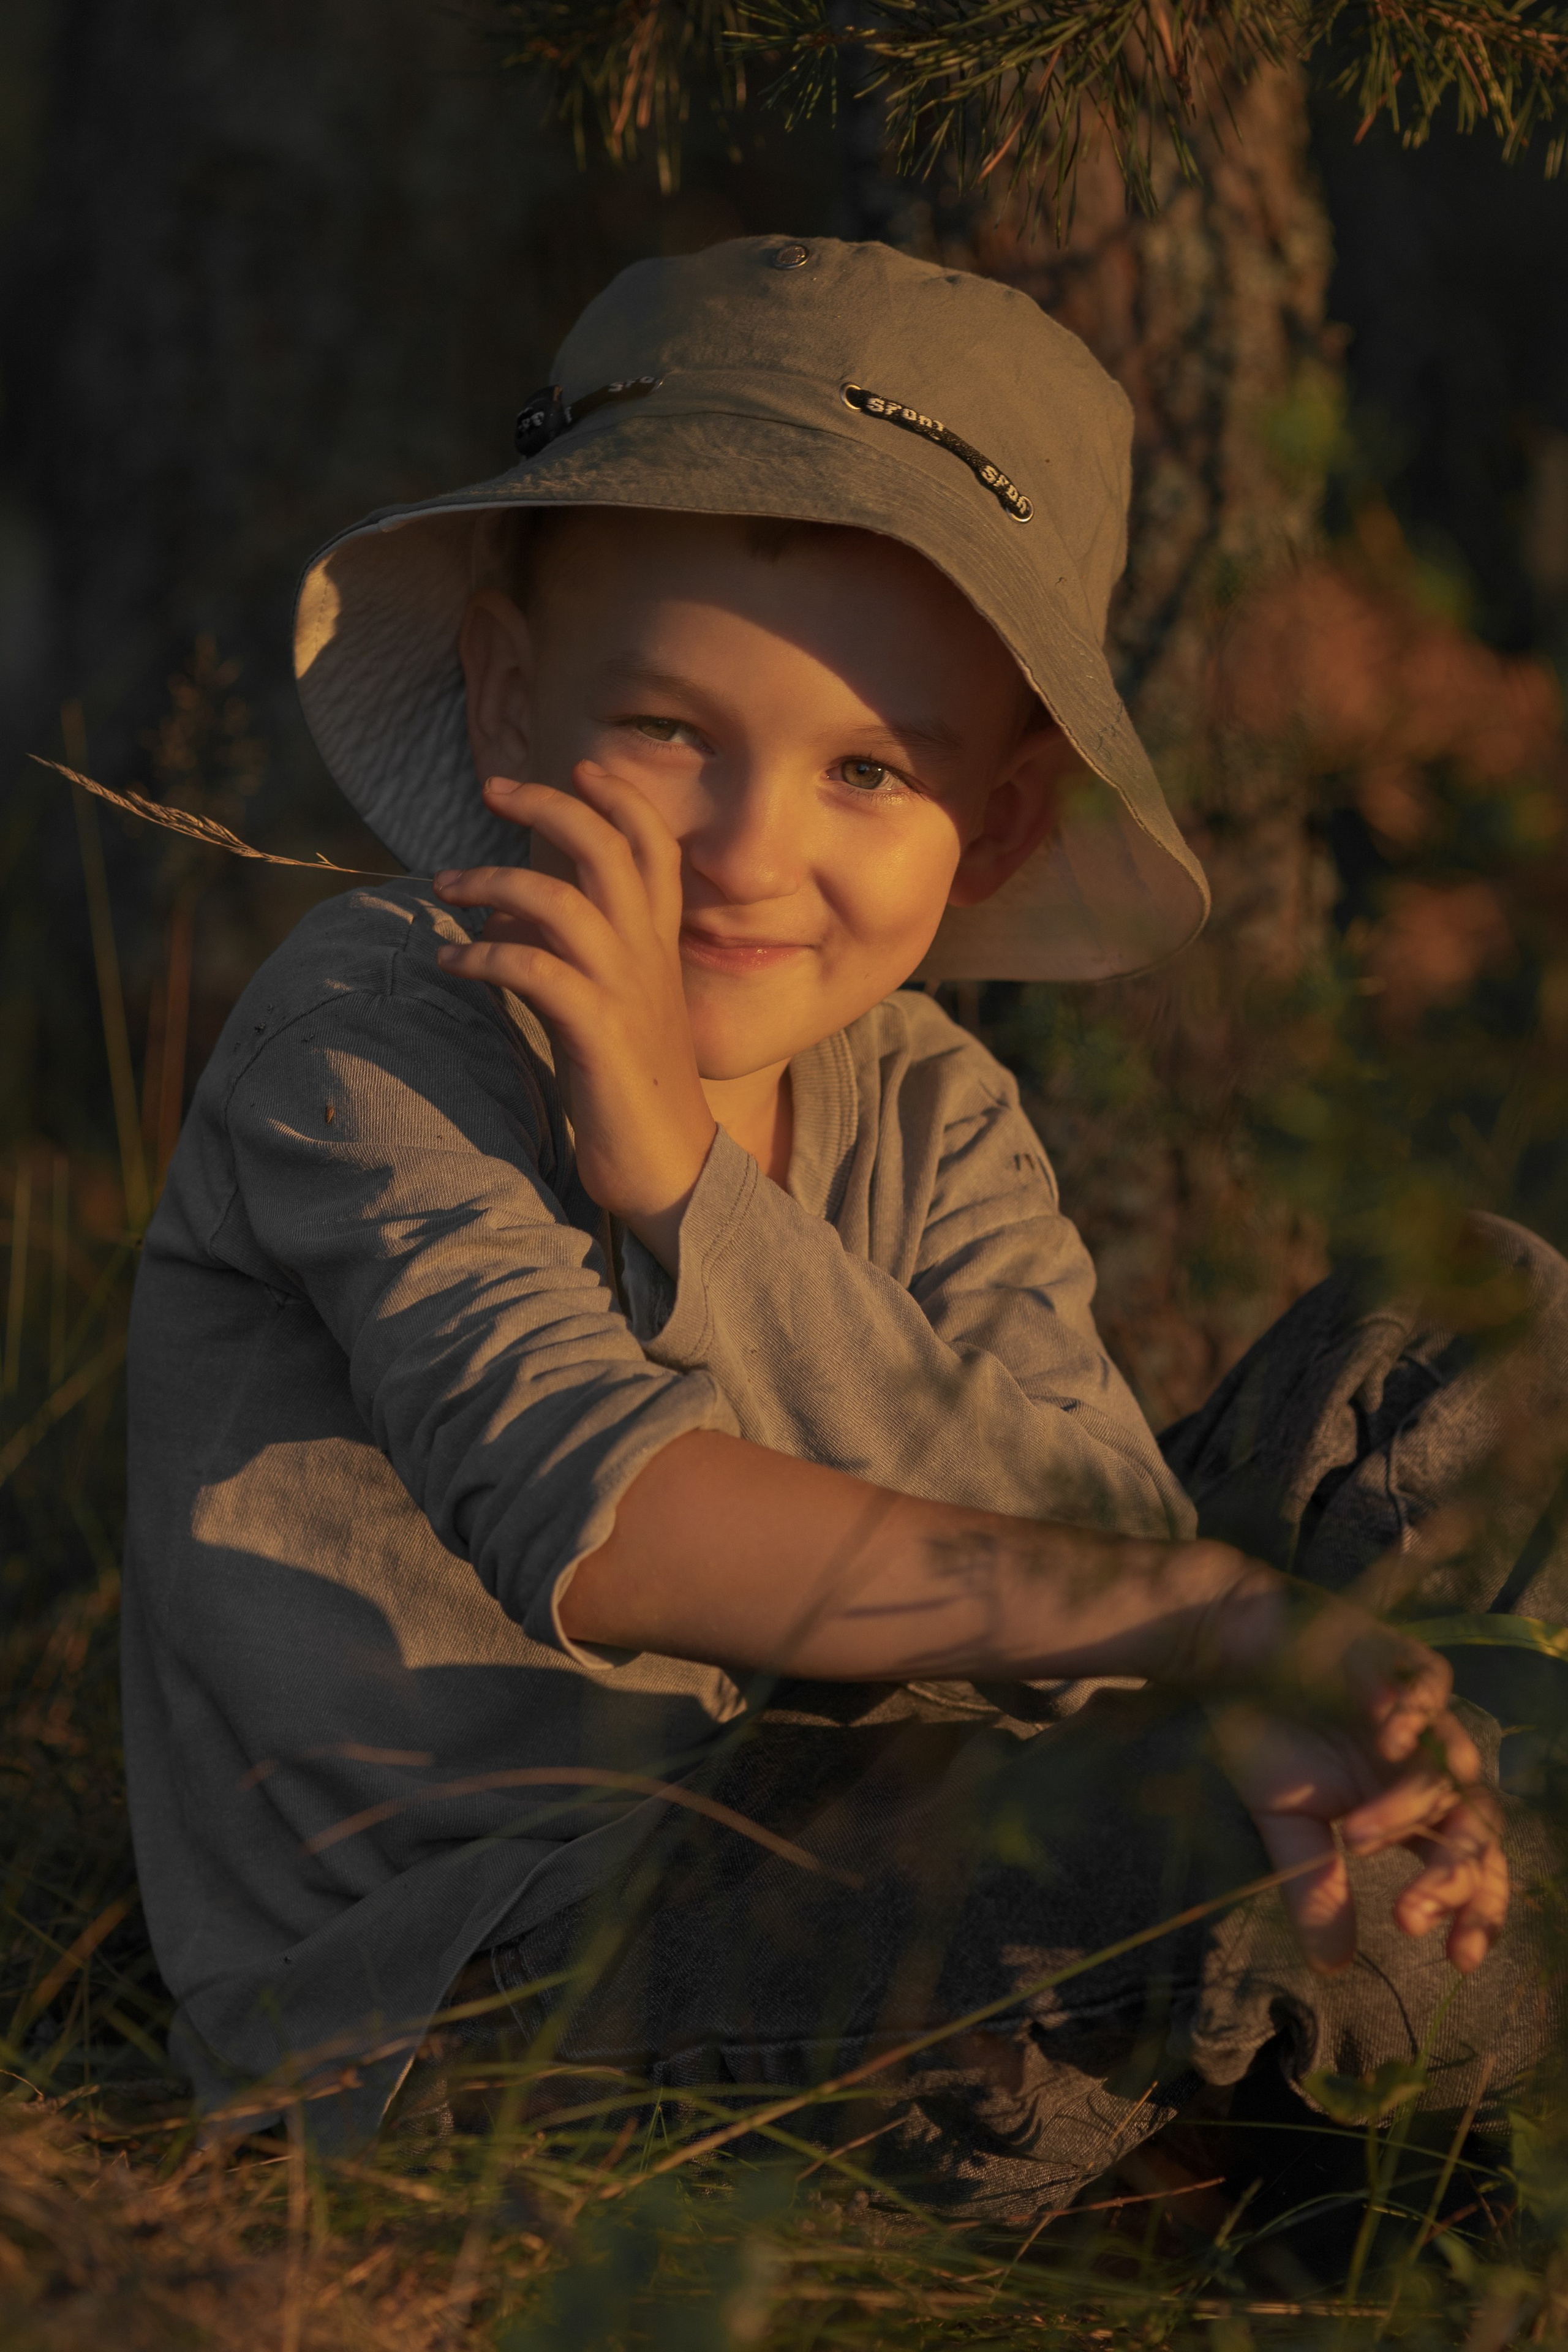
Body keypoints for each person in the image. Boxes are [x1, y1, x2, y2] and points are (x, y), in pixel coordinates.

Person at [122, 237, 1566, 2199]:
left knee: (1495, 1331)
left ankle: (1363, 1936)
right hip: (496, 1983)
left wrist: (1253, 1656)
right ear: (509, 695)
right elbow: (603, 1523)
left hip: (928, 1794)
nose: (748, 850)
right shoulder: (378, 1028)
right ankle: (1334, 2033)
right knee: (1094, 1839)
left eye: (869, 768)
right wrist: (672, 1182)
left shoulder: (931, 1104)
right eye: (665, 731)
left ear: (1002, 825)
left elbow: (1103, 1543)